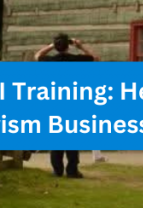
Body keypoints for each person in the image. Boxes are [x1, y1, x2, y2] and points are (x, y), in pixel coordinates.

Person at [34, 34, 98, 178]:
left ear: (57, 46)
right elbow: (95, 58)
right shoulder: (75, 60)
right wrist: (80, 45)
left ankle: (57, 170)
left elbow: (37, 55)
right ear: (68, 45)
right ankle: (72, 170)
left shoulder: (50, 61)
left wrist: (51, 45)